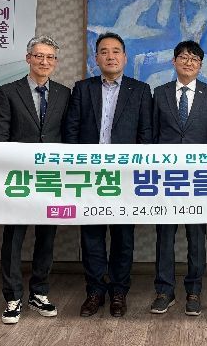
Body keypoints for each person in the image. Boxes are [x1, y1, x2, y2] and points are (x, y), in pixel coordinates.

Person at [63, 32, 153, 318]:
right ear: (96, 58)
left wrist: (137, 171)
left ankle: (118, 291)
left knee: (123, 236)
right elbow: (71, 131)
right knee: (91, 234)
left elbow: (146, 135)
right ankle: (94, 290)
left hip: (125, 176)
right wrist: (75, 167)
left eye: (116, 51)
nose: (110, 56)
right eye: (104, 51)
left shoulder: (140, 91)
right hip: (89, 175)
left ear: (124, 57)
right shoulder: (82, 89)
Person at [0, 35, 70, 324]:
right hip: (18, 177)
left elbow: (68, 135)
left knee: (46, 237)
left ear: (55, 62)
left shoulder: (64, 93)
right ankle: (12, 297)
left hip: (51, 177)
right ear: (28, 58)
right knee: (13, 237)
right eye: (39, 56)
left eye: (50, 57)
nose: (44, 62)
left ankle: (39, 292)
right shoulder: (8, 92)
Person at [149, 40, 207, 316]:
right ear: (174, 61)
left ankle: (194, 291)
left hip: (199, 179)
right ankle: (164, 291)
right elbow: (153, 136)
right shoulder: (160, 93)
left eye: (194, 59)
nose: (188, 62)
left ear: (200, 65)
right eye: (183, 57)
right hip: (166, 178)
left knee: (196, 238)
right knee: (164, 236)